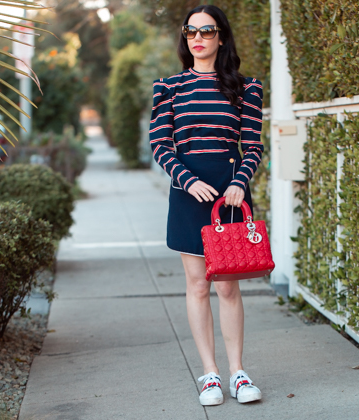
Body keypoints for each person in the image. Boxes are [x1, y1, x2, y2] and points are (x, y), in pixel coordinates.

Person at [149, 4, 264, 407]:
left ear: (221, 37)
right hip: (189, 192)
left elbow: (252, 146)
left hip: (230, 195)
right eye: (190, 32)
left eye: (207, 31)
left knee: (228, 286)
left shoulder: (246, 87)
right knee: (198, 285)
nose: (197, 38)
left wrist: (239, 181)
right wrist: (188, 180)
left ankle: (238, 373)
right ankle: (210, 375)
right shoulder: (168, 87)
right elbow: (160, 145)